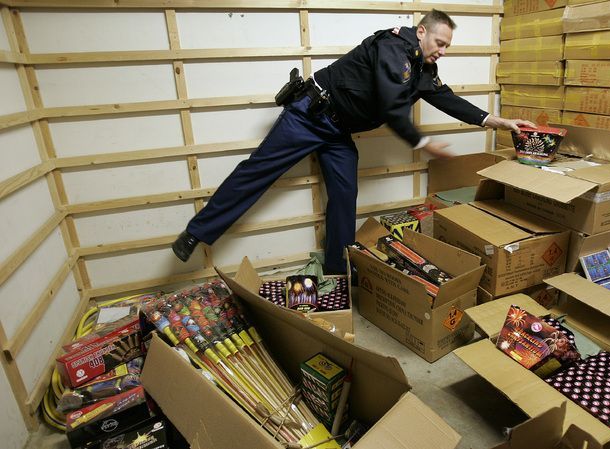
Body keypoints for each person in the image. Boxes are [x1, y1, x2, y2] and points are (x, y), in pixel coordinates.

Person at [172, 9, 535, 273]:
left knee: (345, 194)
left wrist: (499, 121)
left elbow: (446, 97)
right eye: (440, 42)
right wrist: (422, 142)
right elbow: (394, 106)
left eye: (448, 46)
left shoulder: (423, 67)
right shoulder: (394, 46)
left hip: (337, 131)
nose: (442, 50)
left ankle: (336, 269)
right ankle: (196, 232)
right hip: (308, 116)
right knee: (258, 172)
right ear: (421, 32)